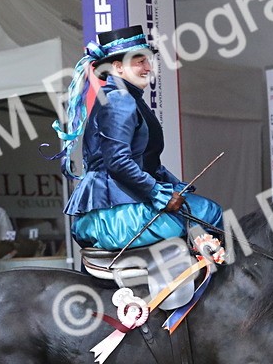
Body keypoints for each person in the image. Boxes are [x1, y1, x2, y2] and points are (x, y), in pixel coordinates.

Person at [54, 25, 224, 251]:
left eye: (147, 60)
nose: (147, 67)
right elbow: (118, 162)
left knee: (198, 210)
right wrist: (158, 193)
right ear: (117, 67)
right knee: (209, 212)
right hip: (116, 215)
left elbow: (141, 161)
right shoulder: (119, 100)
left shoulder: (126, 97)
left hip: (122, 203)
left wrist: (170, 186)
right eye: (139, 61)